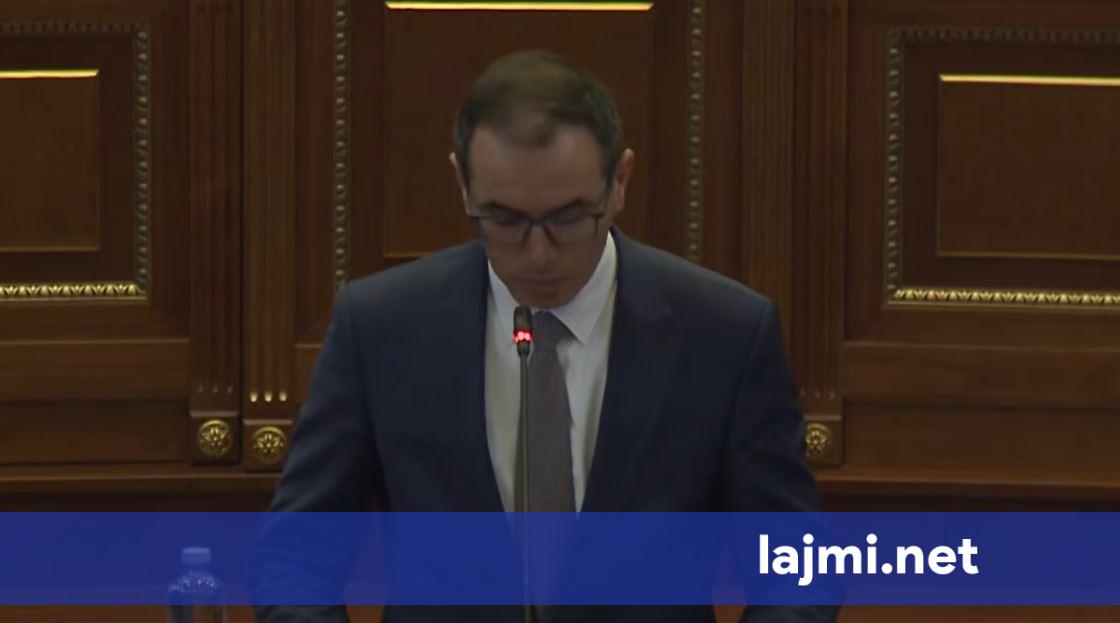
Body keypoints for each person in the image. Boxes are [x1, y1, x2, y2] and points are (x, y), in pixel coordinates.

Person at [256, 50, 836, 623]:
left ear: (620, 182)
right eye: (505, 219)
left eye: (569, 218)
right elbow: (294, 559)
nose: (538, 254)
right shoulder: (381, 327)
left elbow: (798, 572)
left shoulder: (724, 334)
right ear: (463, 186)